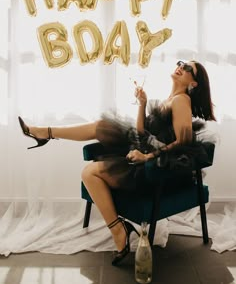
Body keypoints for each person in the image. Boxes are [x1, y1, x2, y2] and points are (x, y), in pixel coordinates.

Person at [18, 60, 216, 265]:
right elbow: (142, 133)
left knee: (89, 172)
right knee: (101, 127)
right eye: (181, 63)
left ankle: (118, 232)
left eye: (188, 69)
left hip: (158, 168)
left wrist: (147, 157)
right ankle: (45, 132)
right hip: (146, 155)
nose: (181, 67)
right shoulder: (169, 99)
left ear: (194, 83)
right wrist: (142, 104)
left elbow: (183, 142)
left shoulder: (181, 100)